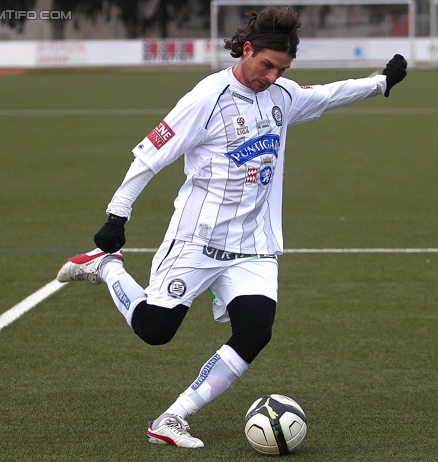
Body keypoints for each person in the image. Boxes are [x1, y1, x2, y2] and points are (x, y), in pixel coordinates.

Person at [57, 5, 407, 449]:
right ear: (247, 49)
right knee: (155, 331)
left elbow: (327, 94)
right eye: (266, 65)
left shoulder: (280, 95)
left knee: (256, 329)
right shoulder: (206, 98)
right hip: (197, 238)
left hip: (253, 243)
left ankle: (172, 417)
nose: (271, 76)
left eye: (282, 69)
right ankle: (107, 266)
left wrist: (381, 83)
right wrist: (116, 215)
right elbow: (150, 155)